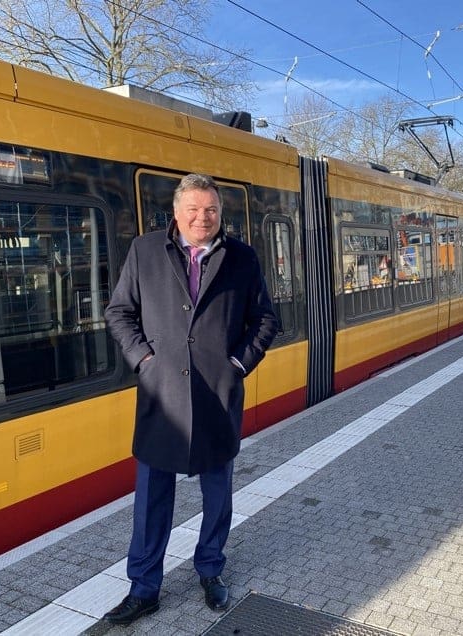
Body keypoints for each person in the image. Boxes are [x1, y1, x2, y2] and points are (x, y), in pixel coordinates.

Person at [103, 173, 279, 625]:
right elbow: (119, 312)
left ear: (221, 214)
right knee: (150, 500)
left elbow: (264, 319)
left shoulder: (242, 258)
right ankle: (144, 588)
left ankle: (210, 570)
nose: (203, 218)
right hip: (162, 399)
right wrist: (143, 359)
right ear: (177, 213)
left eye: (212, 210)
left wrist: (237, 364)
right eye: (194, 210)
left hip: (217, 398)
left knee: (217, 495)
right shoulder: (145, 251)